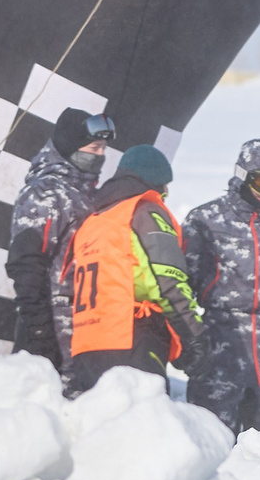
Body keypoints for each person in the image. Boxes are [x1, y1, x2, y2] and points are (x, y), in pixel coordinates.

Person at [182, 138, 260, 438]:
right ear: (243, 176)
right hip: (221, 338)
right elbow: (184, 281)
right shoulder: (205, 220)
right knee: (213, 434)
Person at [61, 144, 204, 395]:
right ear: (154, 181)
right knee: (143, 429)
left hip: (86, 346)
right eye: (164, 187)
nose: (165, 193)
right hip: (131, 339)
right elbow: (168, 280)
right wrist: (194, 339)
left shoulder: (93, 222)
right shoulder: (145, 211)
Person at [6, 107, 113, 365]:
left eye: (103, 150)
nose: (101, 156)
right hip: (52, 330)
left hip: (82, 327)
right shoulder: (45, 193)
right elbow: (26, 265)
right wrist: (40, 334)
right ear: (71, 146)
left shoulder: (84, 194)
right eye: (94, 149)